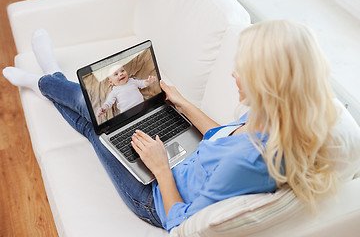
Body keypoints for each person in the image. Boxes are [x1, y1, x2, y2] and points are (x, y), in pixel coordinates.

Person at [2, 20, 341, 232]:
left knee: (98, 128)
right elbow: (224, 140)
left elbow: (183, 223)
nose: (234, 75)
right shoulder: (277, 121)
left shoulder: (248, 163)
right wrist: (183, 104)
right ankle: (50, 78)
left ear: (268, 83)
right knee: (101, 116)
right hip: (181, 162)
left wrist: (161, 168)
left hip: (155, 196)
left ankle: (44, 80)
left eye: (243, 70)